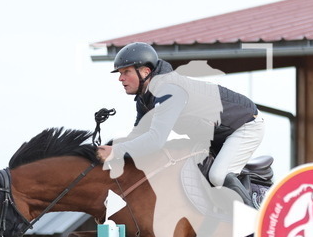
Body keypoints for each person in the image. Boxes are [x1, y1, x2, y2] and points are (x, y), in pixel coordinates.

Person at [97, 42, 265, 204]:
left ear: (145, 71)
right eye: (120, 73)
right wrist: (101, 150)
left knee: (218, 176)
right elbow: (138, 136)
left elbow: (155, 140)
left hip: (245, 125)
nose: (120, 78)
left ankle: (254, 218)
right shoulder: (145, 99)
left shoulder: (169, 90)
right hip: (215, 136)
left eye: (126, 72)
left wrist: (116, 151)